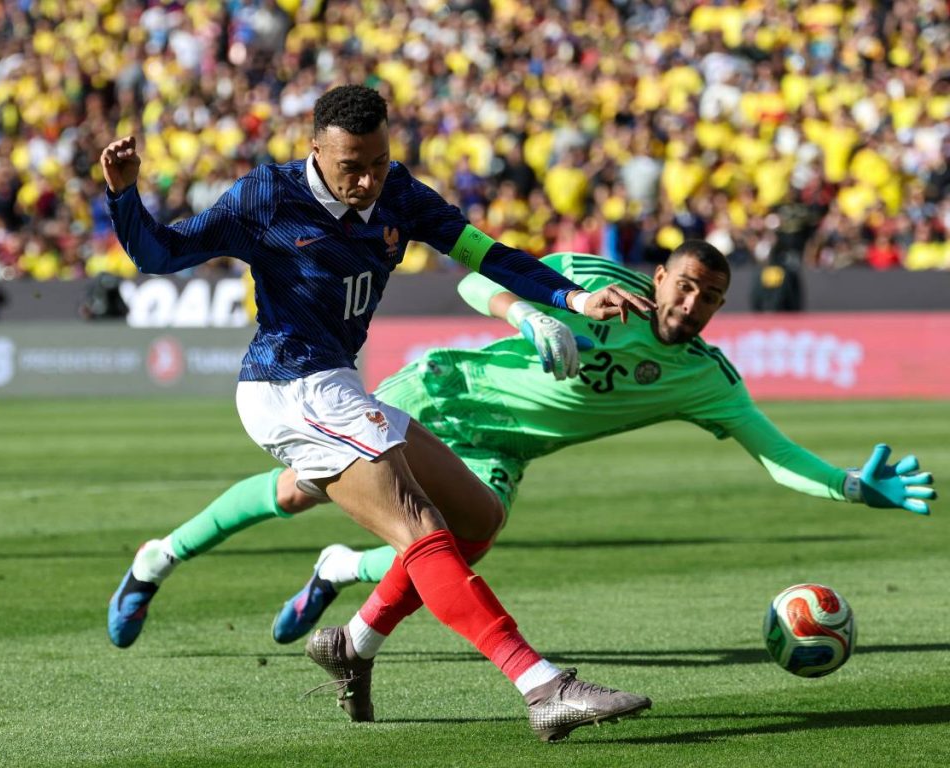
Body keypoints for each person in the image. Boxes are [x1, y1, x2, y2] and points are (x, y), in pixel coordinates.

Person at [102, 84, 657, 743]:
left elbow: (487, 256)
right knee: (420, 527)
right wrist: (124, 194)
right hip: (287, 385)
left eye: (377, 160)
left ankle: (355, 643)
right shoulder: (267, 197)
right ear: (315, 150)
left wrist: (573, 297)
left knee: (478, 517)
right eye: (350, 167)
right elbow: (159, 255)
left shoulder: (398, 191)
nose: (367, 180)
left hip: (339, 385)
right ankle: (543, 686)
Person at [106, 241, 935, 663]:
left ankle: (336, 575)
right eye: (685, 285)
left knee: (463, 538)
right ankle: (157, 558)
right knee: (298, 490)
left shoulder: (707, 379)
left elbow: (775, 453)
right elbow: (473, 273)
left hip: (500, 447)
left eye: (711, 297)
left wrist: (851, 487)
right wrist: (529, 311)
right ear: (662, 276)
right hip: (442, 393)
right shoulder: (594, 281)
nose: (695, 303)